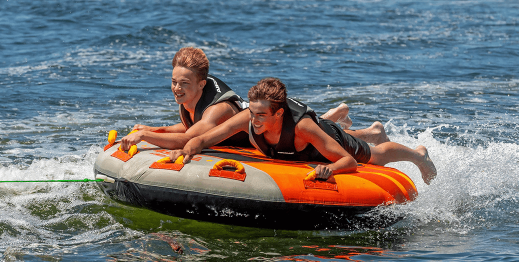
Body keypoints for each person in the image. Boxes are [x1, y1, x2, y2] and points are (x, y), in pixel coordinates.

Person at [169, 77, 437, 185]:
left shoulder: (303, 127)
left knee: (375, 155)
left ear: (279, 113)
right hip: (302, 147)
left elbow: (349, 161)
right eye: (252, 112)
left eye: (262, 115)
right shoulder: (248, 118)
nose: (254, 120)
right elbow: (207, 137)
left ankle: (417, 155)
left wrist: (329, 170)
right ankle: (372, 130)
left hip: (326, 137)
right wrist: (189, 147)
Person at [120, 47, 389, 151]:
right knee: (320, 127)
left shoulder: (218, 111)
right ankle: (335, 117)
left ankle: (371, 133)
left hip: (271, 126)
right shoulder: (191, 98)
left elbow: (191, 138)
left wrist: (145, 137)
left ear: (201, 84)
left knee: (322, 137)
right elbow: (188, 127)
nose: (177, 89)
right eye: (173, 82)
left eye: (184, 84)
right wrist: (150, 129)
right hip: (263, 128)